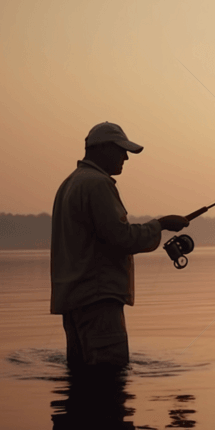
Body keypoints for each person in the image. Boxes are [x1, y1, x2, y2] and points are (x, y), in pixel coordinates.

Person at [50, 122, 189, 372]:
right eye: (121, 150)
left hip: (73, 301)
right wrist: (161, 225)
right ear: (102, 148)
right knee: (108, 378)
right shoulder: (97, 184)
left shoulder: (70, 183)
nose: (126, 157)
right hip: (98, 299)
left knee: (82, 380)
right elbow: (121, 237)